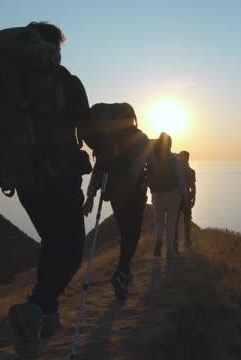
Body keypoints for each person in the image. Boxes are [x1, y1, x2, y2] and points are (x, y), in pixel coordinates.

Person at [2, 21, 93, 356]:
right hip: (60, 178)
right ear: (53, 48)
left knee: (52, 243)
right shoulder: (65, 81)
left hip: (24, 180)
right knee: (70, 254)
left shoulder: (10, 84)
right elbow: (88, 127)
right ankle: (33, 310)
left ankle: (48, 318)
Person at [82, 102, 154, 299]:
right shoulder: (140, 137)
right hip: (135, 192)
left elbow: (99, 169)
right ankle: (123, 271)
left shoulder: (108, 142)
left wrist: (90, 196)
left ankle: (124, 272)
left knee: (125, 231)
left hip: (114, 193)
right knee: (133, 232)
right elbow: (152, 164)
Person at [148, 133, 188, 259]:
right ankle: (169, 251)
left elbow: (150, 176)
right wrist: (185, 196)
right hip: (173, 195)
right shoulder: (174, 159)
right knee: (171, 223)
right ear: (170, 144)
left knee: (159, 222)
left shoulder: (154, 158)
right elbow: (180, 179)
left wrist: (152, 192)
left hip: (158, 194)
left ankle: (158, 241)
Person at [173, 150, 196, 250]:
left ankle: (175, 242)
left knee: (175, 221)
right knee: (187, 221)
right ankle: (187, 242)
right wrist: (194, 198)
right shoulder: (191, 171)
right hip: (186, 198)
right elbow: (193, 187)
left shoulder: (176, 170)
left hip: (177, 198)